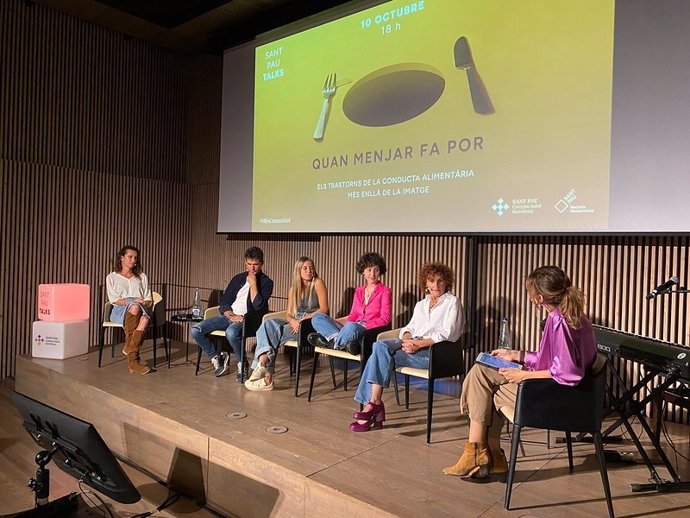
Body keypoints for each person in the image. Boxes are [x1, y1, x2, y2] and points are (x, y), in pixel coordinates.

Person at [442, 265, 598, 479]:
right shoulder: (569, 315)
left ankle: (480, 452)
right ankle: (489, 455)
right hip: (558, 391)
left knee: (485, 386)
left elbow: (566, 373)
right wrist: (517, 355)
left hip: (557, 398)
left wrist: (524, 375)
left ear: (539, 298)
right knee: (482, 373)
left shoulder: (559, 321)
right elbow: (552, 360)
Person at [350, 262, 464, 432]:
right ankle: (374, 403)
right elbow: (409, 327)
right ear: (425, 283)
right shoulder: (421, 304)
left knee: (376, 356)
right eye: (432, 281)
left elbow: (448, 333)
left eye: (440, 281)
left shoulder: (452, 302)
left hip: (433, 353)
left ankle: (372, 406)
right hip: (413, 345)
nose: (436, 285)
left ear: (447, 282)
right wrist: (408, 339)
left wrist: (418, 344)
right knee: (379, 347)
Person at [244, 257, 329, 391]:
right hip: (295, 320)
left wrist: (304, 318)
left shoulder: (318, 283)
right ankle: (263, 371)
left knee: (273, 334)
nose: (309, 271)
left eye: (311, 267)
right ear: (298, 270)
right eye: (305, 268)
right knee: (268, 324)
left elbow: (324, 309)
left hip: (312, 322)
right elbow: (289, 314)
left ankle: (262, 371)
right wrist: (293, 321)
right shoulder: (293, 289)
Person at [191, 247, 273, 381]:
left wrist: (253, 284)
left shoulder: (266, 282)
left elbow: (258, 305)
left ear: (262, 263)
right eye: (249, 264)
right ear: (245, 262)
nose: (252, 268)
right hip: (229, 316)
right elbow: (225, 300)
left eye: (255, 265)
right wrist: (230, 315)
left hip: (249, 320)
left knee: (231, 332)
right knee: (196, 330)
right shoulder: (238, 278)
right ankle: (217, 357)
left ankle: (242, 363)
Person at [307, 252, 392, 355]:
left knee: (351, 327)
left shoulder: (385, 291)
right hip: (351, 328)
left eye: (376, 270)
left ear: (380, 272)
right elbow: (353, 316)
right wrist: (332, 322)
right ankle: (342, 342)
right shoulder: (359, 291)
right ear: (363, 272)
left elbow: (385, 319)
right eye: (369, 270)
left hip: (367, 330)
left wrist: (364, 325)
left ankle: (331, 345)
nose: (373, 274)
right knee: (318, 317)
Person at [106, 245, 153, 375]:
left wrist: (145, 301)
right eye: (130, 257)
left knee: (144, 318)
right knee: (135, 307)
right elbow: (113, 299)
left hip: (139, 307)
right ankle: (133, 358)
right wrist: (131, 301)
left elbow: (148, 297)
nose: (133, 260)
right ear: (122, 258)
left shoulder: (142, 276)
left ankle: (131, 356)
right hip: (120, 309)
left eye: (135, 258)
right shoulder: (112, 277)